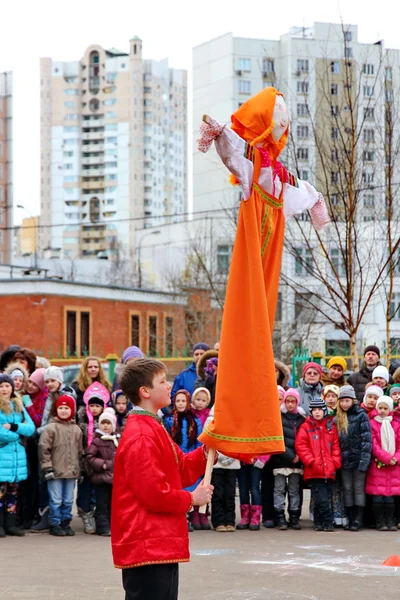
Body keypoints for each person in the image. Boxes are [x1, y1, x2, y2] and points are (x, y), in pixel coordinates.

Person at [111, 358, 213, 600]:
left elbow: (181, 468)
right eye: (162, 381)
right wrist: (192, 498)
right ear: (145, 391)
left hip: (157, 541)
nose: (169, 386)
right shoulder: (142, 435)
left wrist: (207, 449)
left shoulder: (153, 426)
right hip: (147, 541)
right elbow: (153, 493)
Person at [296, 397, 341, 531]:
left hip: (328, 468)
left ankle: (318, 522)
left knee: (321, 497)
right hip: (314, 469)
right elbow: (301, 445)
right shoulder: (306, 426)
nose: (317, 412)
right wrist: (310, 461)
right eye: (314, 410)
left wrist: (335, 462)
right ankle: (327, 522)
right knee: (321, 497)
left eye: (319, 410)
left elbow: (336, 446)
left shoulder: (330, 427)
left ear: (324, 411)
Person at [38, 395, 82, 536]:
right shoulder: (51, 428)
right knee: (56, 499)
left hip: (71, 471)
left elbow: (80, 452)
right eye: (61, 408)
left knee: (68, 499)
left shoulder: (77, 430)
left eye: (66, 408)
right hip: (55, 471)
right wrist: (47, 467)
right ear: (56, 410)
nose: (63, 411)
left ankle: (65, 522)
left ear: (72, 410)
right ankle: (55, 523)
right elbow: (44, 449)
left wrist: (80, 470)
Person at [164, 390, 206, 531]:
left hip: (190, 459)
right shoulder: (169, 420)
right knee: (179, 489)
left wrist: (198, 457)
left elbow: (199, 441)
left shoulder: (194, 421)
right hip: (175, 460)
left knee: (192, 486)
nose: (180, 404)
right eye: (178, 401)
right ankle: (182, 518)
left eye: (183, 401)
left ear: (188, 402)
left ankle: (194, 515)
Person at [0, 373, 35, 537]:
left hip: (16, 457)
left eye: (7, 385)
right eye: (1, 386)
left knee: (13, 493)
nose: (4, 389)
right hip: (3, 454)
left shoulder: (18, 405)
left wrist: (13, 427)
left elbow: (30, 428)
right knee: (0, 494)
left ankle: (11, 524)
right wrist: (17, 434)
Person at [335, 385, 372, 531]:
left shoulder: (361, 415)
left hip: (358, 459)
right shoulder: (337, 417)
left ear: (353, 401)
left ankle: (358, 519)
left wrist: (364, 460)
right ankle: (350, 517)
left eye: (347, 400)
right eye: (342, 401)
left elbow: (366, 440)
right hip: (344, 460)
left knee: (358, 488)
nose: (344, 404)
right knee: (347, 488)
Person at [270, 388, 305, 531]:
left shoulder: (302, 419)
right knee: (279, 489)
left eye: (293, 401)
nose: (290, 404)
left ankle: (294, 516)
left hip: (297, 462)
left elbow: (304, 440)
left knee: (294, 490)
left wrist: (299, 456)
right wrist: (290, 456)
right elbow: (278, 439)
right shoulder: (279, 417)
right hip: (281, 460)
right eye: (288, 401)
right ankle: (280, 516)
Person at [77, 382, 109, 534]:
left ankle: (99, 517)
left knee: (99, 493)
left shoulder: (106, 423)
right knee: (85, 491)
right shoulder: (81, 421)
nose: (94, 408)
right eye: (92, 406)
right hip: (85, 463)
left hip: (100, 464)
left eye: (98, 406)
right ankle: (86, 514)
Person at [366, 396, 400, 531]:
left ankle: (390, 520)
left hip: (394, 465)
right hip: (378, 464)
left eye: (385, 408)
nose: (382, 411)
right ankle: (380, 521)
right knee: (378, 496)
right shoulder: (372, 424)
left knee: (390, 496)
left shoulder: (396, 424)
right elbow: (373, 444)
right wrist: (386, 457)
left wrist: (396, 458)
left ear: (390, 409)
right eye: (380, 408)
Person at [205, 406, 240, 532]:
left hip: (232, 463)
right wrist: (218, 457)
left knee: (230, 494)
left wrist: (231, 457)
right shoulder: (211, 421)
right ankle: (218, 521)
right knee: (217, 493)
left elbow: (239, 441)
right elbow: (207, 440)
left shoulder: (236, 421)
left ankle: (230, 520)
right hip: (217, 464)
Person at [86, 407, 119, 536]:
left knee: (113, 504)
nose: (105, 426)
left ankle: (112, 525)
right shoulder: (97, 441)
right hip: (102, 478)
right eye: (103, 423)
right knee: (102, 504)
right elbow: (89, 457)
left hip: (115, 479)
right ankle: (102, 526)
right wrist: (104, 465)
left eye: (108, 423)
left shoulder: (117, 440)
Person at [237, 454, 269, 531]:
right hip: (242, 461)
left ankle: (255, 518)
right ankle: (245, 517)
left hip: (257, 461)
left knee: (255, 489)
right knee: (243, 490)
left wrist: (263, 459)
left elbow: (268, 444)